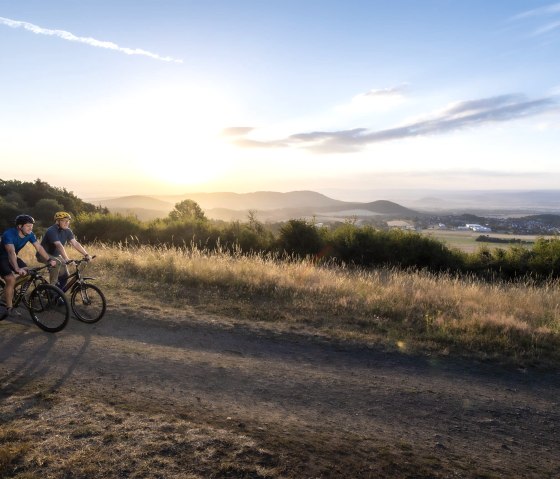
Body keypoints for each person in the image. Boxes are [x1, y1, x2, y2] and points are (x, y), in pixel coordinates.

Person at [0, 214, 56, 319]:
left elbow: (39, 247)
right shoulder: (8, 234)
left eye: (32, 226)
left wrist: (49, 259)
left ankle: (9, 292)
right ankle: (9, 308)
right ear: (20, 226)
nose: (31, 228)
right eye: (28, 226)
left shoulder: (30, 234)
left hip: (13, 257)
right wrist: (16, 268)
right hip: (1, 258)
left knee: (28, 272)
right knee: (10, 279)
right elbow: (11, 252)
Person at [38, 211, 91, 289]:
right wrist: (66, 258)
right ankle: (52, 290)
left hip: (55, 255)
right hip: (43, 254)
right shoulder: (51, 230)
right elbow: (59, 245)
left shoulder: (67, 231)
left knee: (65, 275)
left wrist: (86, 254)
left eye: (68, 221)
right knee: (57, 263)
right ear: (57, 221)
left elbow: (75, 243)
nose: (67, 223)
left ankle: (58, 295)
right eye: (64, 221)